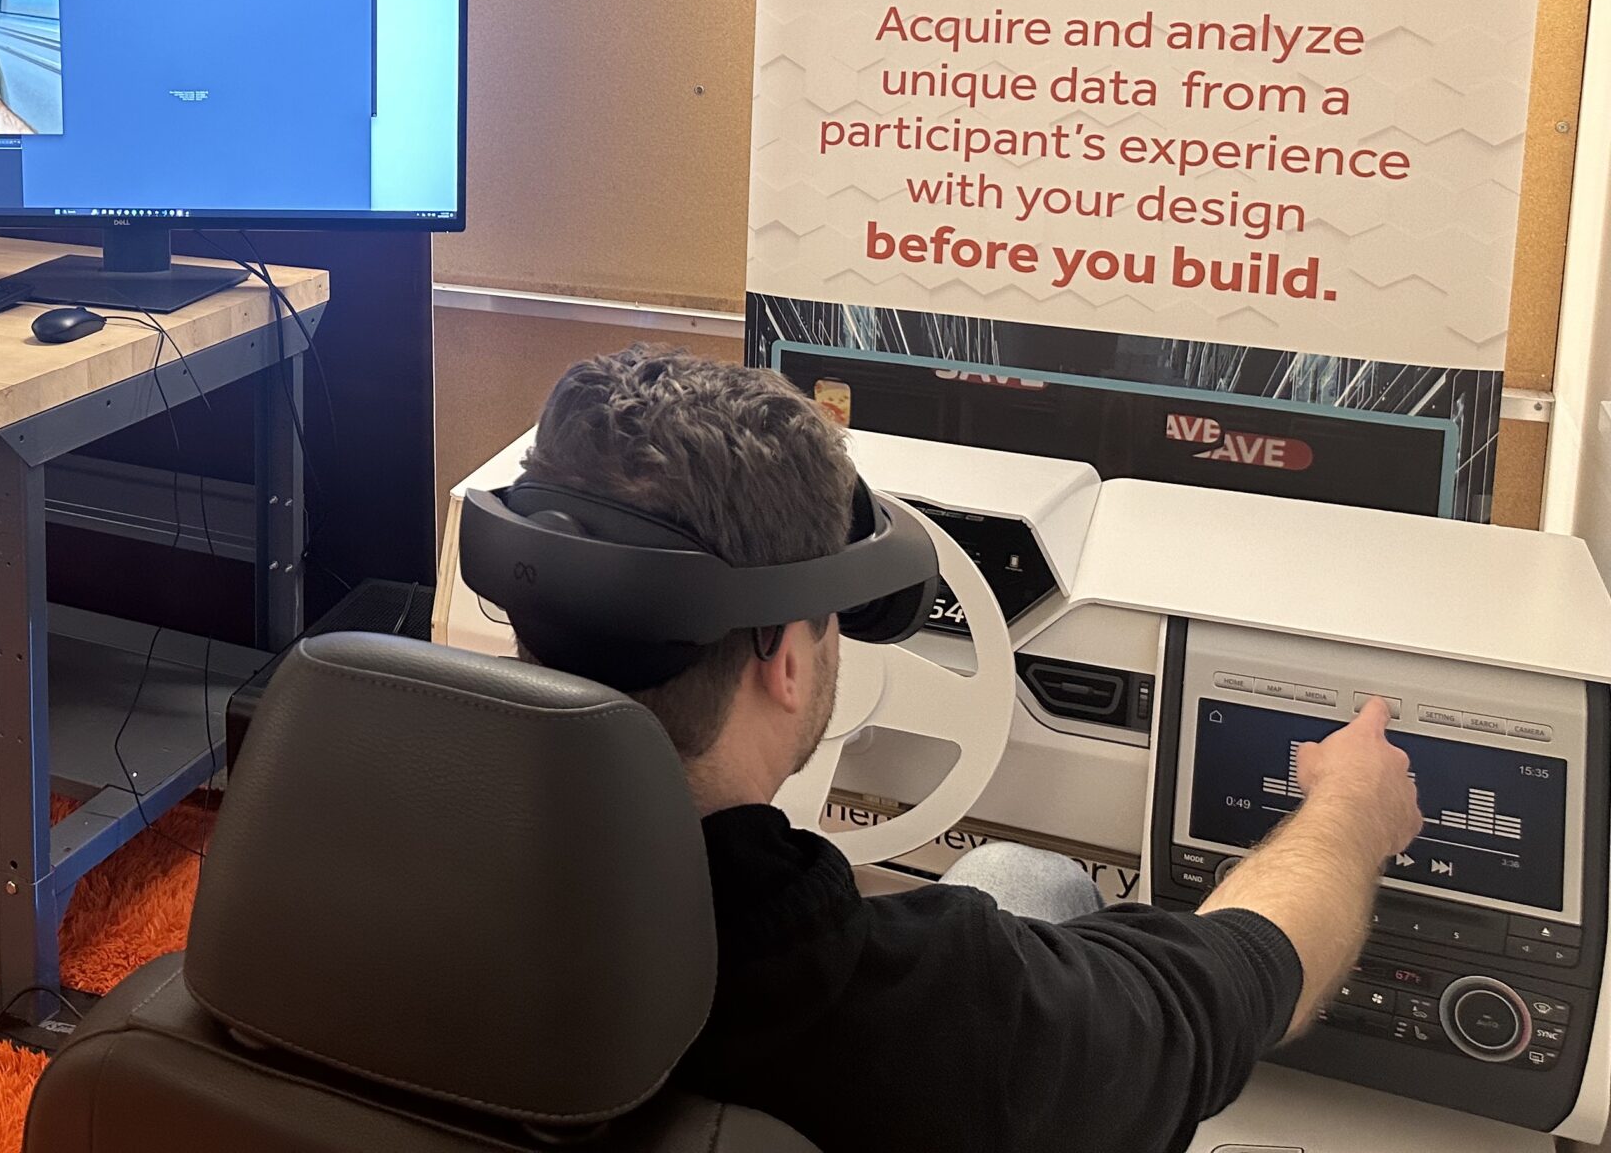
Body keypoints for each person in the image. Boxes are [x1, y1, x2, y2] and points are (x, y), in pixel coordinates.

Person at [509, 349, 1424, 1153]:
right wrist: (1352, 811)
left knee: (1018, 876)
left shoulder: (393, 852)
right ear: (787, 658)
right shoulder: (917, 1019)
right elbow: (1221, 993)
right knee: (1030, 884)